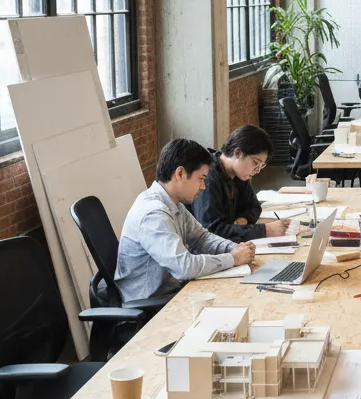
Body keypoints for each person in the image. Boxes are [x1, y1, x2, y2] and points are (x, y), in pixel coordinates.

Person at [115, 138, 255, 304]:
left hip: (173, 290)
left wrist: (237, 248)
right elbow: (184, 267)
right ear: (180, 174)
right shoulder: (153, 215)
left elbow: (201, 238)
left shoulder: (173, 203)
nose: (203, 187)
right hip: (151, 305)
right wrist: (233, 258)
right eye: (201, 178)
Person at [192, 125, 290, 243]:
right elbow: (212, 231)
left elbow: (254, 207)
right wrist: (265, 230)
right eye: (255, 163)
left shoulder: (238, 174)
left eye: (261, 166)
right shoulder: (208, 177)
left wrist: (243, 219)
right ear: (237, 152)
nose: (257, 171)